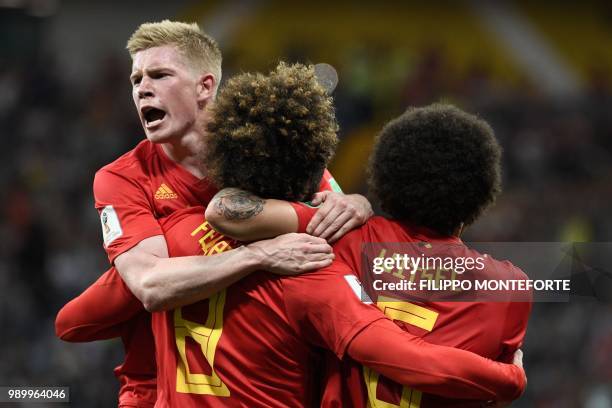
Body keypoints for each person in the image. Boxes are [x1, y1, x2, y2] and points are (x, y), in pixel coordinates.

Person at [57, 64, 526, 407]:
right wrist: (507, 379)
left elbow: (74, 323)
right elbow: (395, 350)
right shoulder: (509, 287)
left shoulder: (316, 248)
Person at [85, 19, 371, 407]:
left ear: (205, 86)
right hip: (164, 387)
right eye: (136, 80)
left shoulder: (263, 143)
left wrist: (357, 203)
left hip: (277, 380)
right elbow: (151, 285)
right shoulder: (122, 178)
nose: (142, 89)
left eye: (159, 75)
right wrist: (257, 255)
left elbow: (336, 207)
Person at [210, 104, 533, 407]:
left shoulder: (342, 239)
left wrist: (354, 202)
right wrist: (510, 379)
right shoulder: (509, 289)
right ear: (480, 193)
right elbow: (492, 397)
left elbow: (229, 212)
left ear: (387, 178)